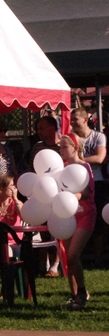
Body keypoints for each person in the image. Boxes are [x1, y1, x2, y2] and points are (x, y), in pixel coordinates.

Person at [59, 133, 95, 310]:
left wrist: (72, 197)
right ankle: (74, 296)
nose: (61, 150)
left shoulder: (84, 167)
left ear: (75, 148)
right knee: (68, 257)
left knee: (73, 255)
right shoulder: (61, 169)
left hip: (85, 215)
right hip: (67, 216)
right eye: (59, 147)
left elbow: (87, 193)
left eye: (64, 147)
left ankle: (82, 292)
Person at [70, 107, 108, 263]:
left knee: (97, 218)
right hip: (74, 183)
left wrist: (78, 161)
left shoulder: (98, 136)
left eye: (75, 119)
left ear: (85, 120)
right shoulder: (71, 137)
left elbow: (100, 158)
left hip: (96, 181)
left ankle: (97, 256)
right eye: (71, 119)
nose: (72, 122)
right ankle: (75, 254)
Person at [30, 115, 62, 277]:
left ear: (52, 128)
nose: (39, 131)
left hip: (59, 193)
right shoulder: (37, 147)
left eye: (42, 128)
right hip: (41, 193)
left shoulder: (63, 145)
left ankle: (55, 265)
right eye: (37, 129)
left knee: (58, 229)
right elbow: (33, 168)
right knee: (42, 228)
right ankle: (44, 263)